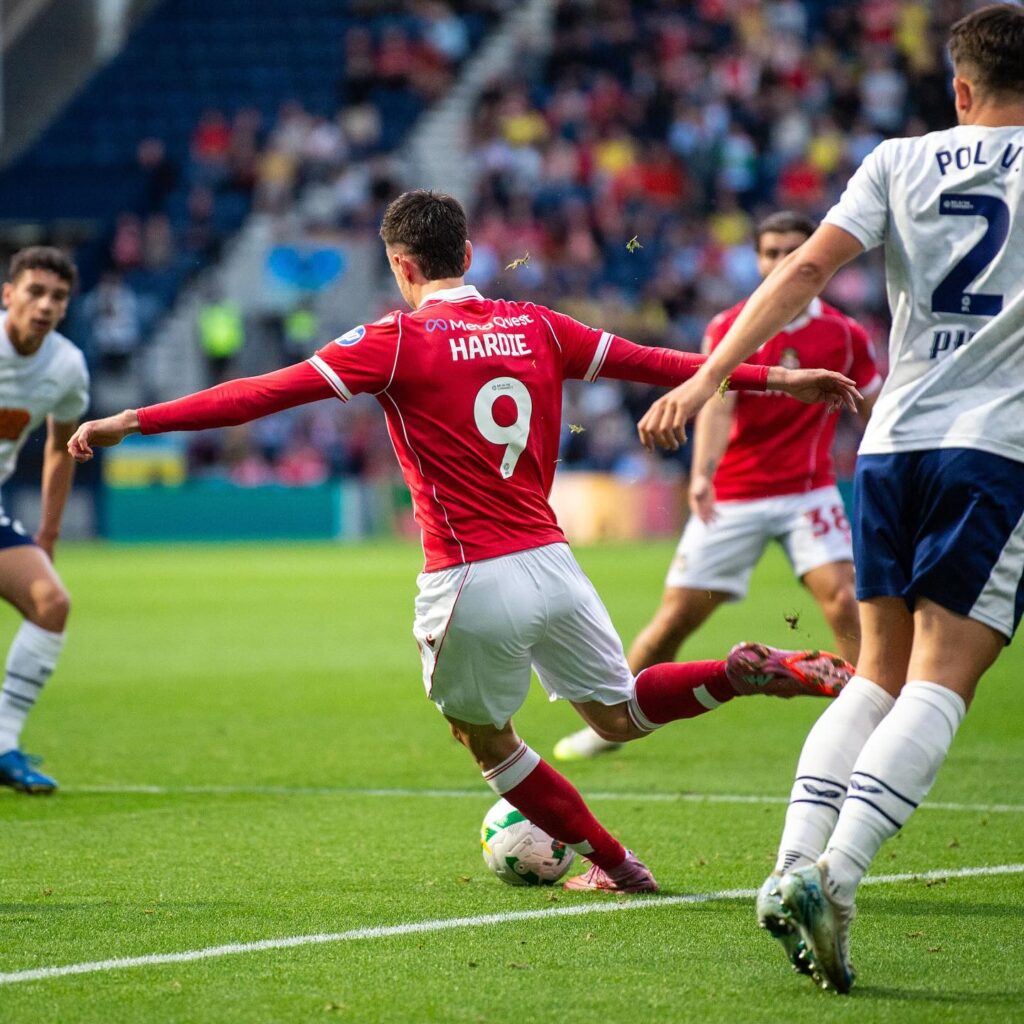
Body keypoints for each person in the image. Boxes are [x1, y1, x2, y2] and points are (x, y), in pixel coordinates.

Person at [68, 190, 858, 892]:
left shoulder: (396, 340)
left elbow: (256, 396)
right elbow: (668, 364)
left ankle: (619, 866)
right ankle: (736, 670)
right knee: (616, 713)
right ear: (472, 255)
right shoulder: (537, 324)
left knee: (487, 741)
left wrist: (132, 421)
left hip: (471, 575)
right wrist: (780, 379)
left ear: (402, 266)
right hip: (554, 565)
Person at [635, 4, 1024, 991]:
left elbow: (806, 269)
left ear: (960, 89)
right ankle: (833, 876)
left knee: (875, 673)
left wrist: (705, 373)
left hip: (889, 445)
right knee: (940, 679)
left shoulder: (897, 161)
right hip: (995, 450)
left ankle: (785, 866)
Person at [555, 211, 882, 762]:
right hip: (733, 494)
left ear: (815, 258)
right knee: (674, 621)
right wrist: (702, 474)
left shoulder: (846, 336)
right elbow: (719, 404)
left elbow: (873, 407)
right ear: (756, 259)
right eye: (770, 251)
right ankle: (610, 722)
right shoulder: (732, 324)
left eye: (792, 252)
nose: (780, 262)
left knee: (844, 602)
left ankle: (871, 726)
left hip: (808, 492)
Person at [0, 247, 90, 794]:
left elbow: (62, 446)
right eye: (34, 291)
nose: (46, 304)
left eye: (57, 297)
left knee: (50, 602)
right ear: (8, 294)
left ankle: (3, 745)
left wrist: (48, 534)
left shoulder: (65, 367)